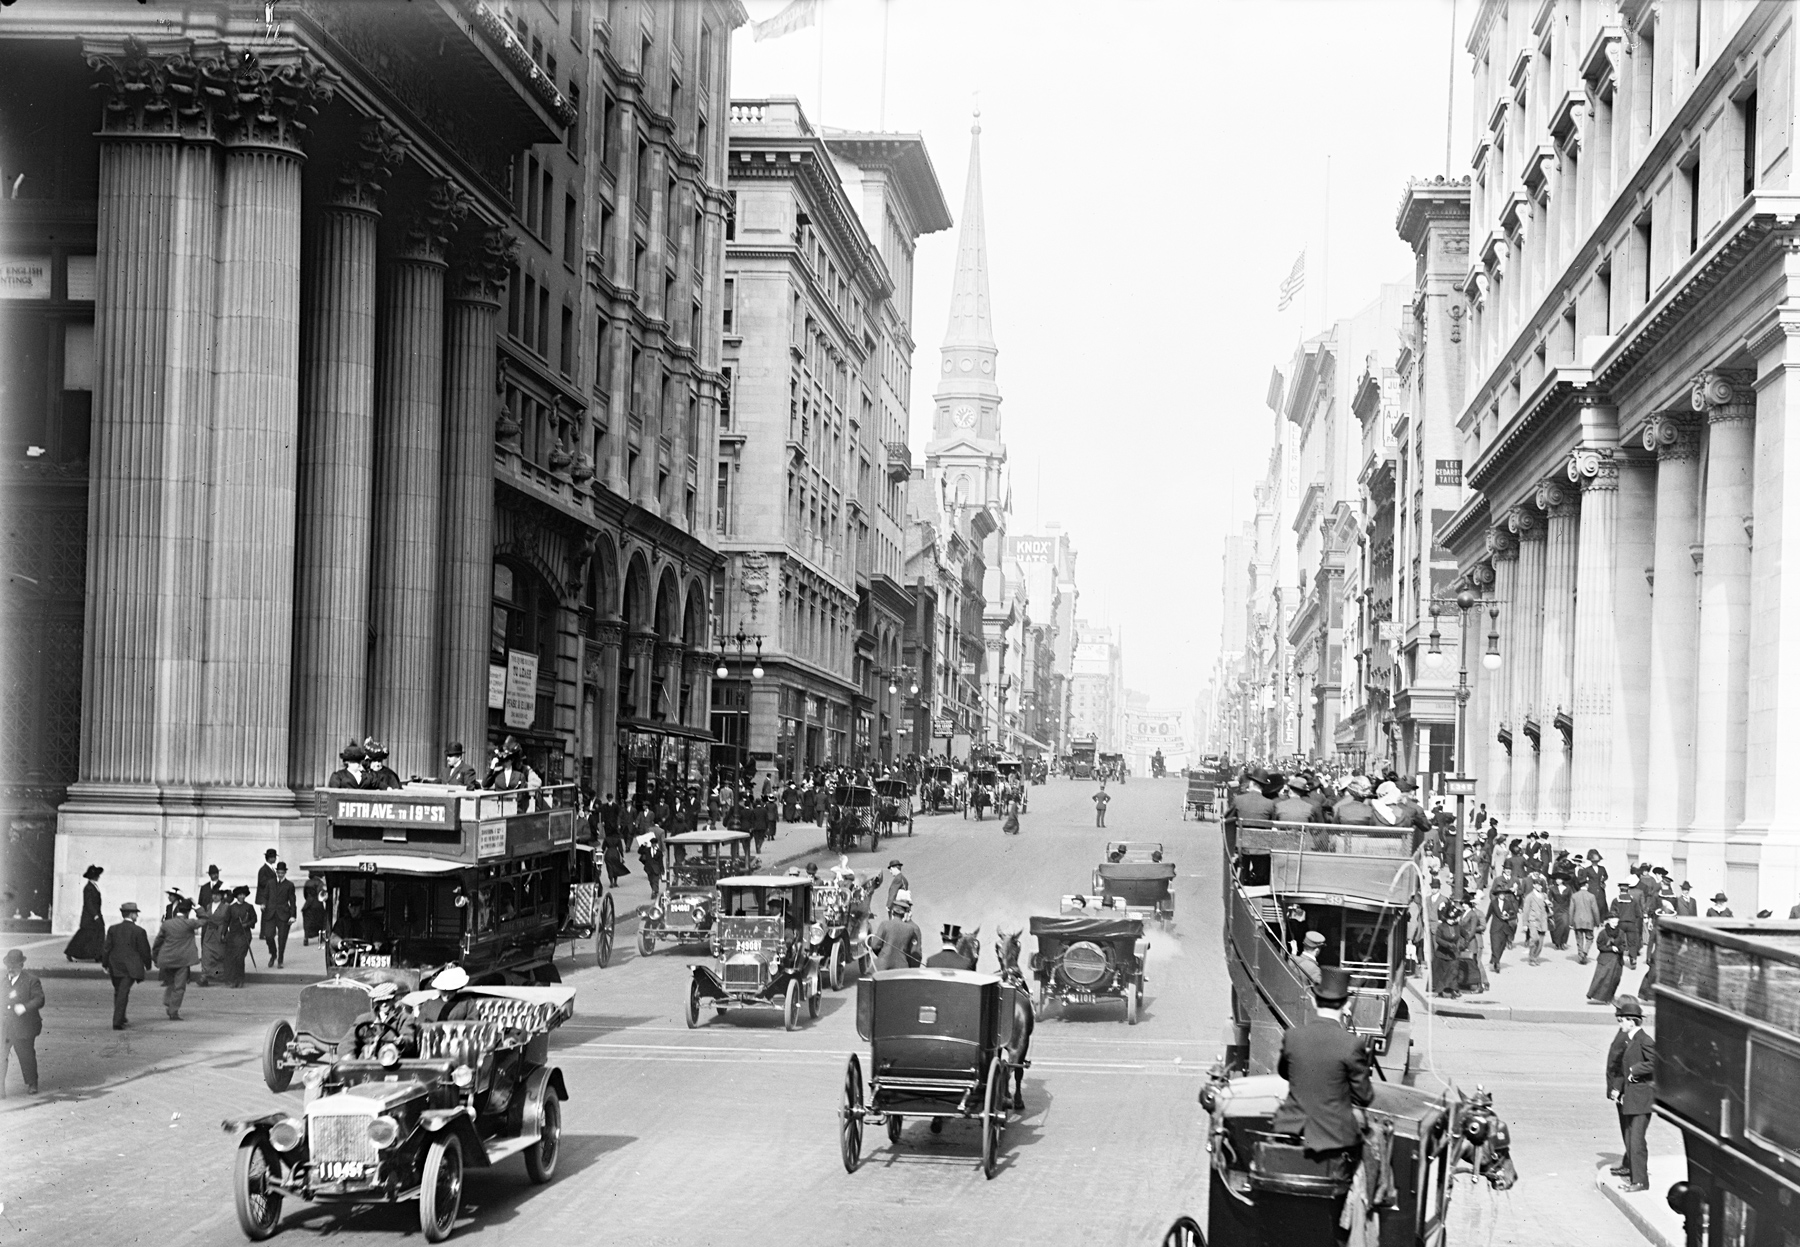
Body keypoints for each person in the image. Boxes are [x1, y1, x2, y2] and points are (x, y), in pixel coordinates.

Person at [1271, 967, 1375, 1156]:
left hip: (1289, 1128)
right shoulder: (1352, 1044)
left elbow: (1285, 1072)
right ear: (1346, 1005)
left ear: (1314, 1001)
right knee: (1377, 1145)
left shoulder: (1292, 1036)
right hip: (1334, 1138)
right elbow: (1364, 1097)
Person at [1606, 994, 1655, 1192]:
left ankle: (1641, 1182)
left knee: (1636, 1142)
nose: (1621, 1023)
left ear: (1632, 1021)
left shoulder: (1645, 1040)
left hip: (1642, 1100)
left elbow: (1655, 1063)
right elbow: (1621, 1068)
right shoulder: (1630, 1040)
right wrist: (1617, 1089)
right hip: (1630, 1099)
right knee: (1630, 1139)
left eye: (1623, 1020)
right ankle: (1634, 1177)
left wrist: (1636, 1070)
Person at [102, 901, 152, 1030]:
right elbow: (144, 950)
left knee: (118, 991)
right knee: (123, 992)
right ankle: (117, 1020)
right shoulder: (139, 931)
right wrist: (148, 964)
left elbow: (107, 948)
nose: (137, 916)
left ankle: (121, 1016)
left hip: (115, 965)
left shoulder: (113, 929)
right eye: (136, 914)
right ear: (131, 914)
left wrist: (105, 963)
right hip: (131, 967)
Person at [151, 898, 204, 1020]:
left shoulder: (167, 923)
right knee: (179, 986)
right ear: (188, 912)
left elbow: (158, 942)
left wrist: (155, 957)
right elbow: (205, 919)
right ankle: (173, 1010)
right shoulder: (189, 923)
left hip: (167, 958)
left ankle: (168, 1000)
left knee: (170, 982)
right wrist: (197, 907)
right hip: (182, 960)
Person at [3, 948, 44, 1097]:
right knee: (2, 1056)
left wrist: (25, 1007)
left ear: (21, 965)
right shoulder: (4, 981)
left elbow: (39, 1000)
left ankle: (32, 1082)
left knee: (26, 1055)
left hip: (25, 1026)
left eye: (14, 966)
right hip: (6, 1026)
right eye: (9, 966)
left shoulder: (31, 980)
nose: (11, 969)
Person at [868, 893, 922, 970]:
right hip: (901, 967)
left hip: (883, 965)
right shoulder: (910, 929)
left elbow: (874, 945)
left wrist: (883, 955)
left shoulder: (884, 924)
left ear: (893, 912)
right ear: (904, 914)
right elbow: (913, 952)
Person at [64, 864, 106, 962]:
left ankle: (98, 954)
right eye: (97, 875)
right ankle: (70, 952)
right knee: (84, 935)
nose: (99, 876)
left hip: (93, 915)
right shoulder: (88, 888)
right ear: (94, 876)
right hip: (90, 917)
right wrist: (95, 915)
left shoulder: (93, 886)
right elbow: (89, 903)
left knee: (97, 934)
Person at [221, 885, 257, 988]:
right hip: (233, 936)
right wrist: (223, 933)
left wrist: (247, 924)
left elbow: (254, 919)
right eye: (240, 894)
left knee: (240, 958)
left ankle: (240, 980)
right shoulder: (231, 908)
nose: (242, 896)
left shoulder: (249, 907)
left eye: (243, 894)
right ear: (236, 896)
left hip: (245, 936)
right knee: (233, 959)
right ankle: (234, 980)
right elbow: (226, 921)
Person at [263, 862, 297, 968]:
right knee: (268, 936)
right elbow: (265, 896)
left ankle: (280, 960)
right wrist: (263, 904)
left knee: (282, 939)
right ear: (276, 872)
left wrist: (293, 916)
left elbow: (292, 901)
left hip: (284, 915)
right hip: (271, 913)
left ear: (285, 873)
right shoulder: (270, 883)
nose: (280, 874)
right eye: (279, 872)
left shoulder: (289, 885)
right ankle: (273, 954)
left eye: (282, 872)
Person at [1587, 918, 1624, 1005]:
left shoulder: (1621, 933)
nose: (1614, 924)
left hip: (1617, 960)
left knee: (1615, 980)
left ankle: (1610, 997)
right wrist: (1610, 948)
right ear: (1609, 922)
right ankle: (1594, 994)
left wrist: (1619, 949)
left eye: (1616, 922)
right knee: (1601, 978)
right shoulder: (1603, 933)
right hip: (1605, 959)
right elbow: (1599, 946)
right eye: (1613, 922)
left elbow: (1624, 945)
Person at [1488, 875, 1520, 972]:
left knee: (1501, 946)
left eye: (1503, 894)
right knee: (1495, 945)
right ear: (1497, 895)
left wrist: (1508, 917)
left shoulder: (1508, 902)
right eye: (1500, 894)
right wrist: (1483, 925)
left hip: (1505, 927)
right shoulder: (1493, 903)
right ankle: (1497, 963)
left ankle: (1495, 958)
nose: (1502, 895)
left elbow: (1513, 913)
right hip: (1495, 927)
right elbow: (1488, 915)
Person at [1570, 881, 1602, 964]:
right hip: (1588, 921)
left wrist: (1570, 922)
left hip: (1577, 920)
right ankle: (1585, 951)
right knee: (1589, 938)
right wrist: (1597, 922)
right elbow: (1595, 910)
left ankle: (1581, 955)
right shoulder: (1591, 896)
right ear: (1587, 885)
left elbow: (1571, 910)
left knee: (1579, 939)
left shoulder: (1574, 896)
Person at [1520, 879, 1550, 966]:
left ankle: (1535, 957)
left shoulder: (1544, 895)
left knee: (1540, 942)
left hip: (1543, 921)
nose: (1540, 887)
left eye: (1541, 885)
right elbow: (1525, 911)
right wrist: (1525, 924)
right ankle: (1531, 957)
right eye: (1539, 885)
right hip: (1533, 921)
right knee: (1534, 939)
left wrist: (1549, 905)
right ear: (1534, 885)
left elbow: (1549, 909)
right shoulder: (1529, 897)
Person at [301, 873, 326, 945]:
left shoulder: (307, 882)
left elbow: (305, 894)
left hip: (308, 904)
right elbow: (320, 893)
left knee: (307, 921)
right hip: (317, 904)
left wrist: (309, 899)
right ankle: (320, 937)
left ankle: (306, 938)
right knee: (320, 920)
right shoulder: (320, 882)